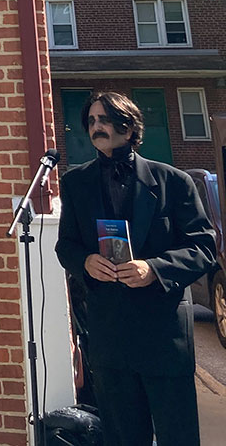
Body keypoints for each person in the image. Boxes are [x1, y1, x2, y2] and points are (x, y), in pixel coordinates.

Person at [55, 90, 216, 446]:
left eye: (106, 120)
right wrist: (85, 261)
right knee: (123, 437)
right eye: (92, 121)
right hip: (109, 335)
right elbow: (65, 245)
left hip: (162, 334)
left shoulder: (173, 182)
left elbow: (204, 247)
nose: (97, 127)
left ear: (129, 128)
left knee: (178, 436)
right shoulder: (76, 182)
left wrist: (154, 269)